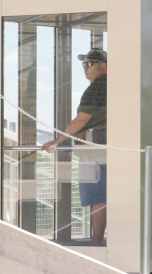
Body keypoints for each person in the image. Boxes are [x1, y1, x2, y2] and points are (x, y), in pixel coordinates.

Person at [42, 48, 108, 246]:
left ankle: (96, 243)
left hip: (95, 150)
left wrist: (56, 141)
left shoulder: (97, 87)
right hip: (112, 148)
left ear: (103, 66)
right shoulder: (119, 85)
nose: (85, 69)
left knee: (97, 197)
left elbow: (81, 120)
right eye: (83, 64)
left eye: (90, 64)